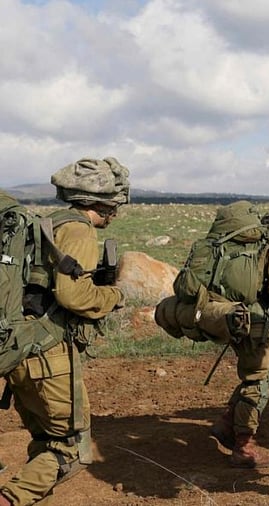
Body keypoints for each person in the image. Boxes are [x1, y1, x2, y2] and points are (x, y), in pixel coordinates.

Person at [0, 158, 130, 506]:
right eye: (116, 203)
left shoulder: (48, 223)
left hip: (21, 348)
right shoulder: (78, 230)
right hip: (48, 355)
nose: (117, 210)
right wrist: (113, 295)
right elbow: (74, 295)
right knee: (67, 450)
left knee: (45, 439)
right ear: (102, 203)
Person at [207, 204, 269, 469]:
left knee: (258, 373)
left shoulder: (250, 245)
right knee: (260, 379)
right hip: (254, 321)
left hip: (232, 315)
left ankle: (227, 423)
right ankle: (244, 446)